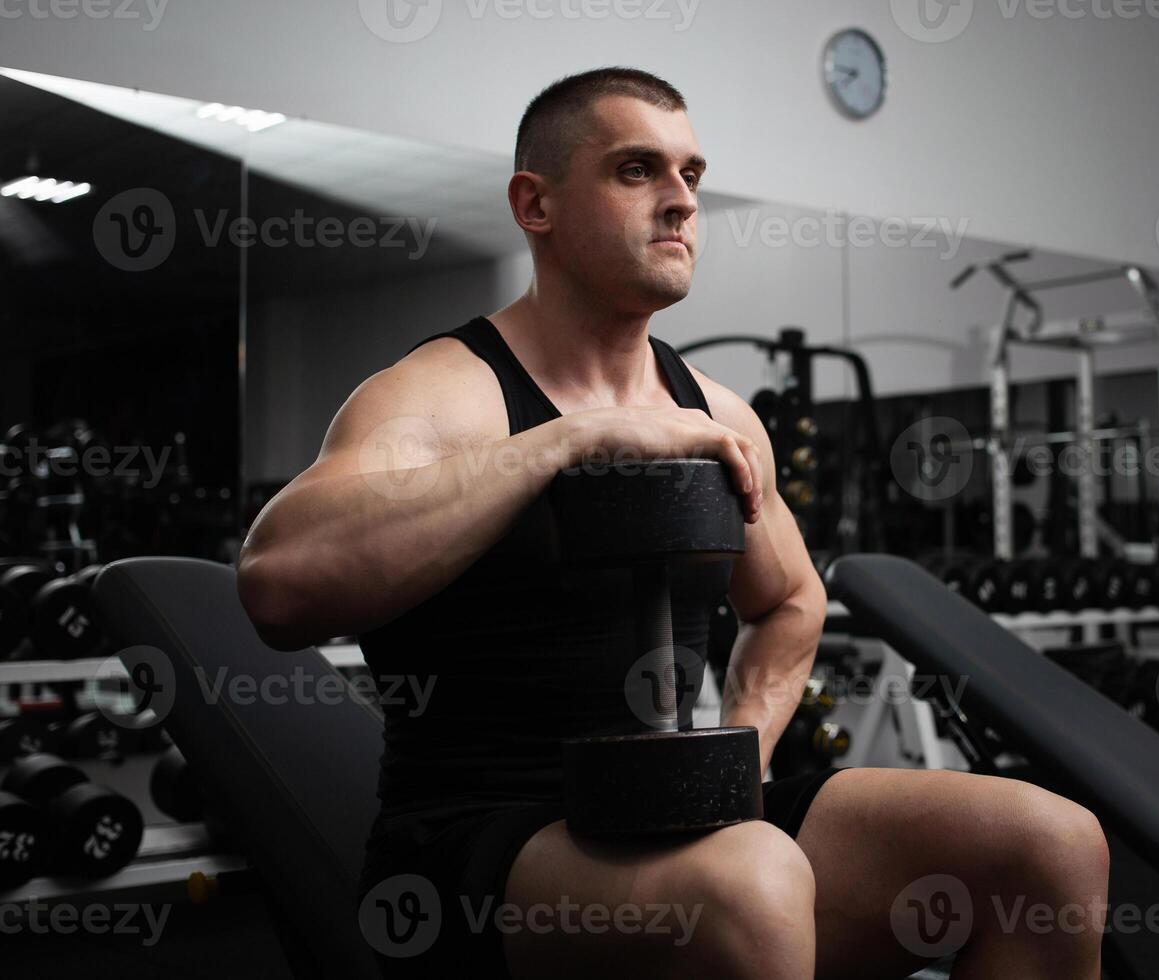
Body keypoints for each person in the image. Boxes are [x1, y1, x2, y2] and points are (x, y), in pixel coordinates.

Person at [237, 67, 1109, 980]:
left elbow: (791, 604)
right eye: (636, 171)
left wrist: (741, 763)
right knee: (750, 878)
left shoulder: (717, 416)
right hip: (477, 849)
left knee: (1046, 843)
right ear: (535, 204)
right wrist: (569, 442)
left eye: (691, 174)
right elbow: (278, 583)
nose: (681, 202)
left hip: (680, 820)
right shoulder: (445, 393)